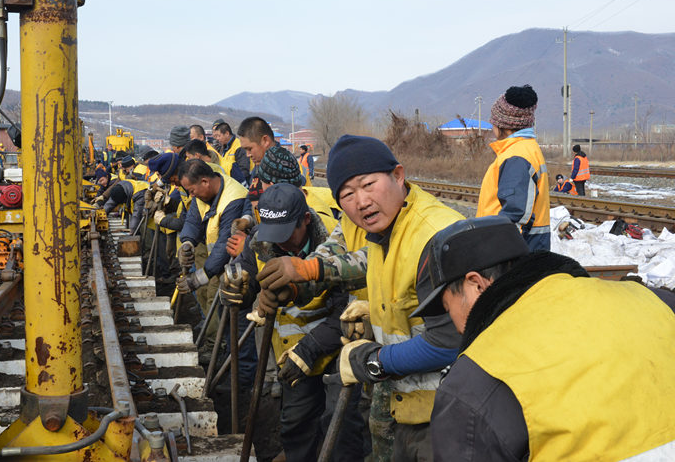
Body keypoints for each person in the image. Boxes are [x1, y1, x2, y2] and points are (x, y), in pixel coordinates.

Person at [257, 135, 463, 461]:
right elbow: (338, 257)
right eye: (348, 194)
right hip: (398, 395)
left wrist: (375, 360)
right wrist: (293, 288)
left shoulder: (436, 235)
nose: (361, 201)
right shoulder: (361, 222)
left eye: (368, 185)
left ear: (398, 175)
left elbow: (452, 341)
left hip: (444, 406)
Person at [410, 216, 675, 461]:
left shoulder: (474, 384)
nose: (456, 327)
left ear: (477, 284)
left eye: (448, 308)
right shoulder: (657, 302)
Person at [232, 184, 366, 461]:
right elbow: (247, 271)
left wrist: (311, 347)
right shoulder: (261, 240)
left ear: (305, 219)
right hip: (291, 354)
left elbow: (346, 306)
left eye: (286, 234)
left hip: (337, 346)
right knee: (295, 424)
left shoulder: (333, 245)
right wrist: (241, 288)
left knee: (339, 426)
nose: (280, 243)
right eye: (273, 233)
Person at [175, 159, 254, 378]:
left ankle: (238, 372)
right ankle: (227, 359)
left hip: (236, 267)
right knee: (222, 313)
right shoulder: (202, 194)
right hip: (220, 264)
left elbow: (224, 244)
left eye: (192, 190)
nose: (192, 195)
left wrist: (200, 277)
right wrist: (188, 242)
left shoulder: (233, 198)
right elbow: (193, 219)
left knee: (231, 316)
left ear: (204, 181)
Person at [476, 85, 550, 252]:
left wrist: (494, 256)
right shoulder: (527, 148)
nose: (491, 123)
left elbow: (515, 215)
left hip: (515, 253)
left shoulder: (516, 156)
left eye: (493, 119)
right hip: (530, 247)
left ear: (504, 124)